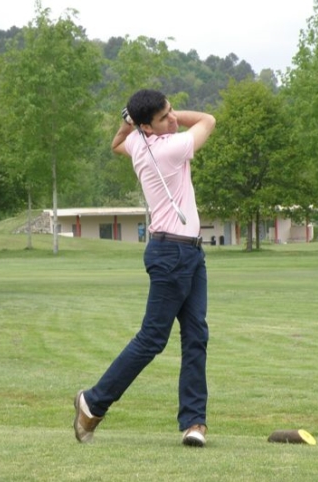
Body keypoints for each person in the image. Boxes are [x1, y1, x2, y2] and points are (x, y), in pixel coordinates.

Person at [73, 89, 216, 447]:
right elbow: (208, 121)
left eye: (171, 111)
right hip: (172, 254)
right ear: (148, 128)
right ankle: (93, 401)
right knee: (152, 339)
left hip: (189, 253)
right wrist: (170, 118)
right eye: (164, 117)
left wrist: (135, 122)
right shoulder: (171, 147)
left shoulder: (139, 142)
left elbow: (116, 143)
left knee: (196, 334)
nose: (171, 119)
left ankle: (193, 423)